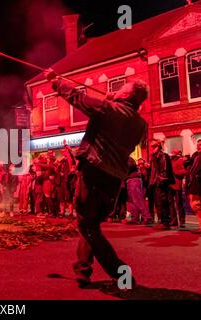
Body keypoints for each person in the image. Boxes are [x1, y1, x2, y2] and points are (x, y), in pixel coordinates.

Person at [46, 69, 148, 289]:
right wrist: (110, 102)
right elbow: (118, 121)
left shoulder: (108, 109)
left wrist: (57, 82)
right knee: (91, 223)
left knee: (86, 224)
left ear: (125, 96)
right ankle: (83, 270)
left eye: (120, 89)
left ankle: (122, 274)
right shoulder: (141, 124)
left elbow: (79, 98)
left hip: (94, 171)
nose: (115, 91)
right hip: (114, 179)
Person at [149, 139, 175, 230]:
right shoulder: (154, 156)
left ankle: (165, 222)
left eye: (154, 146)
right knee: (158, 203)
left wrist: (161, 179)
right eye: (152, 146)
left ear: (158, 146)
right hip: (155, 182)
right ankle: (161, 221)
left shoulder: (162, 155)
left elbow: (164, 169)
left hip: (161, 182)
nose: (152, 148)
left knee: (163, 202)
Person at [126, 157, 153, 225]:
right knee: (131, 200)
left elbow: (130, 166)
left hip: (134, 179)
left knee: (137, 200)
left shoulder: (128, 159)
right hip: (130, 179)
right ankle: (135, 218)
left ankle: (147, 217)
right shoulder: (126, 159)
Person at [169, 150, 186, 228]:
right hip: (170, 185)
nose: (172, 154)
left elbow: (184, 171)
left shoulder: (180, 161)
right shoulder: (170, 161)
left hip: (177, 185)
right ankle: (174, 220)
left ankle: (182, 221)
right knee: (171, 204)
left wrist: (175, 172)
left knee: (179, 204)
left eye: (173, 153)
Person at [187, 139, 201, 234]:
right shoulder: (196, 156)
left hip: (198, 184)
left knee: (196, 204)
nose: (199, 146)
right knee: (196, 205)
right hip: (195, 183)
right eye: (198, 145)